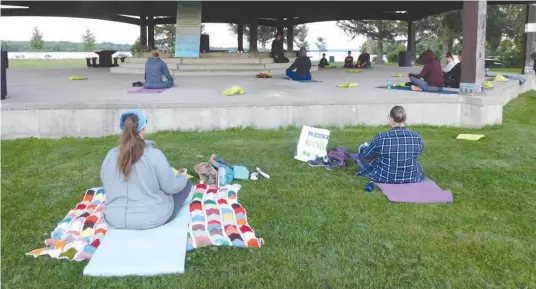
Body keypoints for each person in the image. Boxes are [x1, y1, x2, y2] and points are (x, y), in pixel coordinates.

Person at [101, 109, 192, 230]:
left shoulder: (110, 155)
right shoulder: (154, 154)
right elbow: (172, 187)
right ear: (143, 128)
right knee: (186, 184)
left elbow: (107, 183)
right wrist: (183, 177)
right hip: (152, 217)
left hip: (114, 218)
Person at [356, 106, 425, 184]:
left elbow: (367, 155)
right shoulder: (416, 137)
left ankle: (363, 147)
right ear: (405, 119)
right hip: (413, 176)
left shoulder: (381, 137)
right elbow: (419, 152)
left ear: (390, 118)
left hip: (385, 176)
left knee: (365, 155)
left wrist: (363, 147)